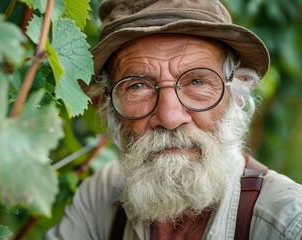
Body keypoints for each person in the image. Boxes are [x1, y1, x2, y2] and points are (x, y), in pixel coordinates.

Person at [46, 0, 302, 239]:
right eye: (137, 86)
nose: (169, 117)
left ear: (236, 94)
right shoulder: (101, 197)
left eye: (197, 81)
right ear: (108, 105)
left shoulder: (287, 222)